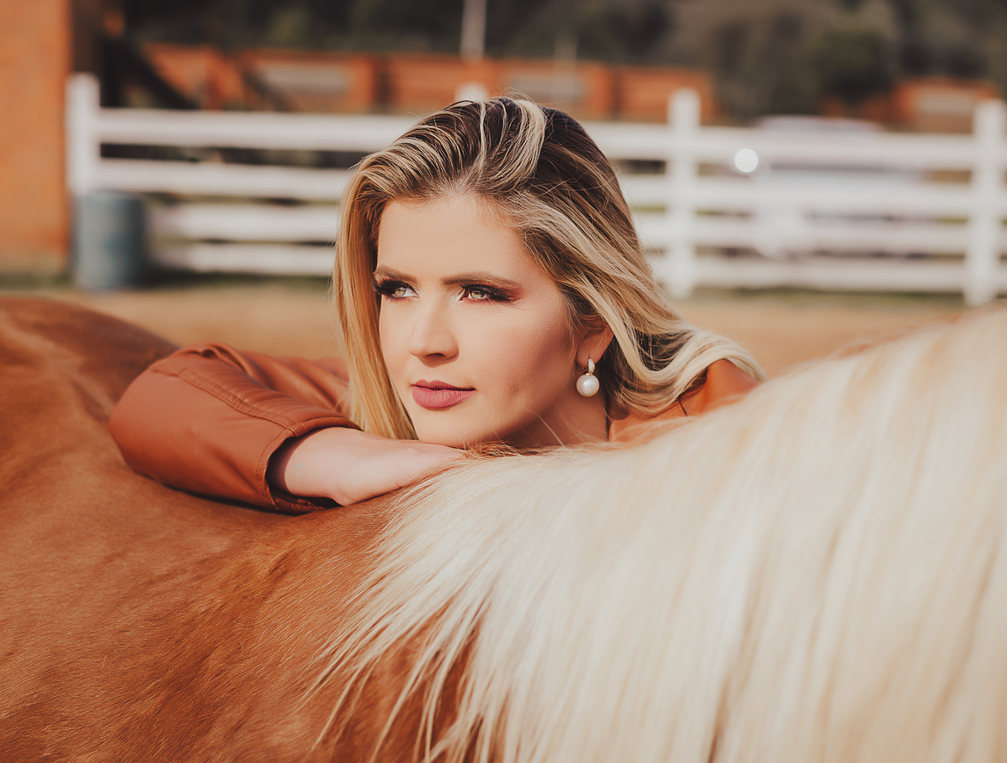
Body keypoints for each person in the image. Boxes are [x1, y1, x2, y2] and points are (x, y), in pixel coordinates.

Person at [109, 98, 765, 513]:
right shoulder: (395, 400)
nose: (423, 342)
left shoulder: (720, 444)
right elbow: (161, 395)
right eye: (397, 288)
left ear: (593, 322)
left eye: (479, 292)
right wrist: (331, 457)